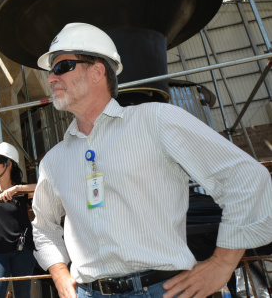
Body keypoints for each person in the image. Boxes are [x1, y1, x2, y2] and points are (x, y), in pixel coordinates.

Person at [31, 22, 272, 298]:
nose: (51, 78)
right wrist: (59, 272)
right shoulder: (54, 161)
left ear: (97, 71)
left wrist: (223, 264)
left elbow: (247, 179)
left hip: (162, 290)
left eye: (61, 67)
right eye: (51, 71)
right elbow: (43, 225)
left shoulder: (156, 120)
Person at [0, 142, 37, 298]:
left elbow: (44, 187)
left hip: (22, 251)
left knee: (23, 295)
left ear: (8, 164)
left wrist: (18, 188)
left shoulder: (22, 190)